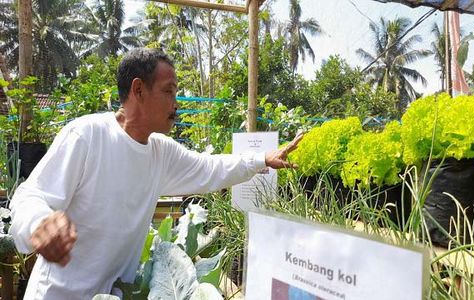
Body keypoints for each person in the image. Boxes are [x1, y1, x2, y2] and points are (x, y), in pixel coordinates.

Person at [9, 48, 303, 299]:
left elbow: (210, 168)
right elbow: (29, 195)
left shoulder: (161, 152)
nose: (176, 103)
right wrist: (39, 223)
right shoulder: (87, 136)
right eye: (168, 91)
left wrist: (261, 158)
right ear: (138, 90)